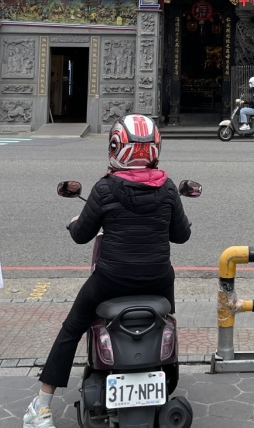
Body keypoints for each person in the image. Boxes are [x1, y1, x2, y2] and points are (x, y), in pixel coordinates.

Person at [24, 114, 192, 428]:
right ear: (155, 148)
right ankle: (164, 371)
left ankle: (42, 406)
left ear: (116, 147)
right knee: (167, 318)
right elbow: (181, 235)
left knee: (71, 329)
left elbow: (81, 235)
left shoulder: (105, 188)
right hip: (157, 279)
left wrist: (74, 222)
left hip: (111, 280)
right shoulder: (168, 188)